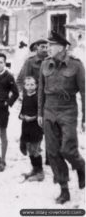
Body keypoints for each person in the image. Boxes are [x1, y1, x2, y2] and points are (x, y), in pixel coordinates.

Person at [38, 31, 85, 204]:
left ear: (62, 47)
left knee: (68, 149)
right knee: (52, 152)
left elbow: (84, 92)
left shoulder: (76, 65)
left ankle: (80, 165)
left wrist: (85, 117)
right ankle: (64, 189)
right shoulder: (45, 65)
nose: (48, 48)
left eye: (51, 45)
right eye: (48, 45)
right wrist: (39, 113)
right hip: (49, 110)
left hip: (68, 110)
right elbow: (41, 92)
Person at [16, 39, 50, 165]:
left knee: (48, 128)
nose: (45, 49)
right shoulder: (30, 62)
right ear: (36, 47)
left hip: (49, 100)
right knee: (34, 127)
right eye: (42, 47)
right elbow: (20, 80)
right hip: (34, 100)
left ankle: (48, 158)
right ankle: (28, 144)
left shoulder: (51, 61)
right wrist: (24, 96)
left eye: (47, 46)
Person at [19, 76, 44, 181]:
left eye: (32, 84)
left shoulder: (38, 98)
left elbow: (41, 114)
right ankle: (34, 169)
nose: (30, 87)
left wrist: (32, 118)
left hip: (36, 128)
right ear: (24, 86)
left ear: (36, 85)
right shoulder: (25, 97)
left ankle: (40, 173)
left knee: (35, 150)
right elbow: (21, 112)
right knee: (29, 149)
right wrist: (23, 116)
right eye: (27, 84)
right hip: (26, 128)